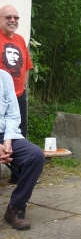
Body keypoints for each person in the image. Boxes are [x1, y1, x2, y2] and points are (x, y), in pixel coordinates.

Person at [0, 69, 44, 230]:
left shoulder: (4, 77)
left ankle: (15, 207)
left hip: (6, 136)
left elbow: (12, 114)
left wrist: (7, 142)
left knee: (35, 155)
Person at [0, 5, 33, 138]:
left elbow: (27, 66)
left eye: (16, 17)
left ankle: (19, 158)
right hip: (2, 97)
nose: (12, 20)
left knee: (20, 131)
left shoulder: (20, 39)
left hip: (19, 95)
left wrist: (24, 88)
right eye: (8, 17)